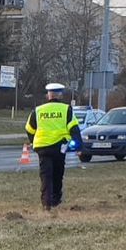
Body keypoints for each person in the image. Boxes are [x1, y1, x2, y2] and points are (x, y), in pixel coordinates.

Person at [25, 82, 79, 211]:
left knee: (45, 175)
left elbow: (29, 129)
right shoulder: (66, 109)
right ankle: (55, 199)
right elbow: (74, 128)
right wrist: (79, 146)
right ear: (60, 95)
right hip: (59, 147)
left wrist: (34, 141)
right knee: (57, 173)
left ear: (48, 95)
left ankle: (46, 203)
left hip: (42, 148)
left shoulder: (38, 110)